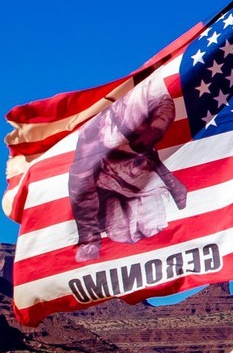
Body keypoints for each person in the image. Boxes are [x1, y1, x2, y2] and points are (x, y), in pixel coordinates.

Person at [68, 72, 187, 261]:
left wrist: (155, 129)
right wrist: (89, 240)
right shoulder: (92, 128)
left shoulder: (145, 88)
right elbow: (80, 180)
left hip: (149, 179)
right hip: (111, 189)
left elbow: (164, 104)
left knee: (160, 234)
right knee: (122, 239)